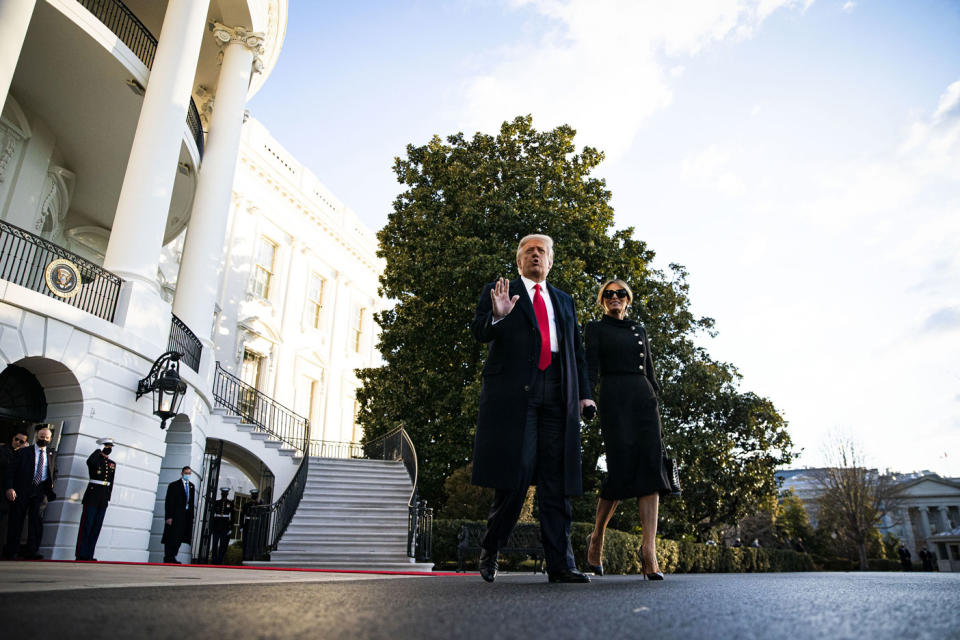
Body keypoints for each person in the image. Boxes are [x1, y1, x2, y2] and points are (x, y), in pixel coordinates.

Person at [470, 233, 596, 584]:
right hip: (517, 396)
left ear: (551, 261)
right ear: (519, 261)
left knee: (556, 481)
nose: (536, 255)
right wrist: (498, 318)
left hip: (558, 394)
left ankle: (561, 564)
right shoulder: (500, 291)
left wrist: (585, 394)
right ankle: (491, 547)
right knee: (517, 474)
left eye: (542, 251)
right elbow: (480, 331)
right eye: (529, 251)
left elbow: (577, 352)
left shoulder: (565, 301)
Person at [583, 279, 671, 580]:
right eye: (608, 294)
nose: (615, 297)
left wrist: (655, 399)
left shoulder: (639, 330)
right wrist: (588, 398)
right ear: (602, 301)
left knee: (651, 469)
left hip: (644, 401)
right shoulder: (595, 329)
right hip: (614, 400)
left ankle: (649, 551)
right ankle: (596, 537)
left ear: (628, 299)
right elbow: (590, 367)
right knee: (620, 470)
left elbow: (651, 370)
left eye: (620, 293)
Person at [4, 426, 57, 559]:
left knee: (36, 521)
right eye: (41, 436)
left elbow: (54, 471)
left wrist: (51, 483)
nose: (43, 439)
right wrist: (10, 487)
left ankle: (32, 551)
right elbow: (10, 471)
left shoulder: (51, 453)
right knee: (16, 521)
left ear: (50, 439)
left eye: (46, 437)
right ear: (36, 436)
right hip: (22, 489)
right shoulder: (24, 452)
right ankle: (12, 551)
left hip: (40, 491)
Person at [75, 437, 116, 561]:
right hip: (92, 495)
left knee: (96, 526)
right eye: (106, 446)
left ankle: (89, 554)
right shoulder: (95, 460)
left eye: (110, 447)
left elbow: (111, 482)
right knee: (87, 524)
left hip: (103, 497)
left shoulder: (112, 464)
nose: (108, 449)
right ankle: (81, 553)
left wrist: (108, 496)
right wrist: (98, 449)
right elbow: (90, 462)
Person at [0, 430, 28, 553]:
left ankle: (10, 550)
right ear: (12, 439)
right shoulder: (3, 450)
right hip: (2, 491)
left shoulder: (24, 454)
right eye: (16, 439)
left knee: (12, 524)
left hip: (17, 495)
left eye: (21, 441)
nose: (17, 442)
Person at [162, 466, 196, 563]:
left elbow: (191, 502)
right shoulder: (174, 485)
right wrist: (169, 516)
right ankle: (169, 557)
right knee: (171, 536)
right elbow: (169, 502)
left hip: (185, 516)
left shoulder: (191, 486)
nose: (187, 475)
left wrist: (191, 516)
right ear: (182, 473)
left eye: (189, 473)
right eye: (186, 473)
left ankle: (173, 556)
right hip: (175, 515)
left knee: (180, 537)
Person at [209, 487, 234, 565]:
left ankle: (220, 560)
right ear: (221, 494)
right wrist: (211, 526)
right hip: (217, 524)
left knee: (223, 544)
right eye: (223, 493)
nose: (224, 495)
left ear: (227, 494)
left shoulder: (230, 503)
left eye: (225, 493)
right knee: (215, 543)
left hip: (225, 525)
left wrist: (230, 527)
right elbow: (212, 514)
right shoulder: (216, 502)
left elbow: (232, 516)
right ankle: (214, 560)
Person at [241, 489, 263, 561]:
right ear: (251, 495)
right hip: (248, 522)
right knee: (246, 540)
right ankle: (245, 556)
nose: (254, 496)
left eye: (255, 495)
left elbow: (262, 515)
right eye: (253, 494)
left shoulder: (259, 505)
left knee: (255, 540)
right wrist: (241, 526)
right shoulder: (246, 504)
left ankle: (254, 556)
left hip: (256, 523)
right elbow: (242, 515)